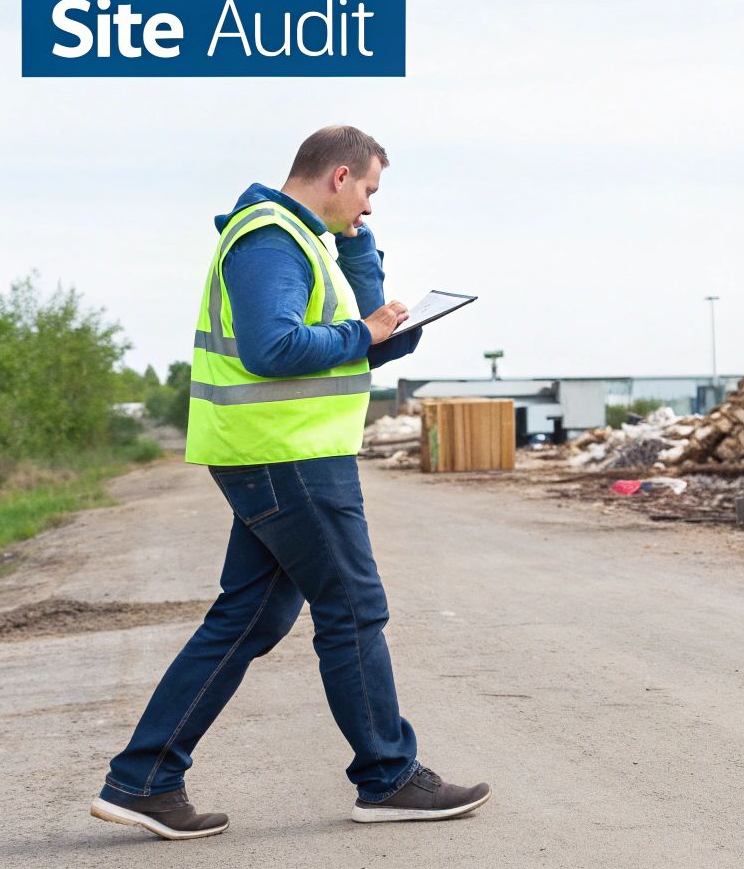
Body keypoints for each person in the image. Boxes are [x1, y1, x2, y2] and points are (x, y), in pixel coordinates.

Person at [90, 126, 489, 840]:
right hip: (285, 456)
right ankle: (388, 776)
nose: (370, 205)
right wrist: (360, 333)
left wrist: (362, 255)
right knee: (354, 609)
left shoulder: (310, 242)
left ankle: (144, 779)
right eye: (368, 191)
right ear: (339, 175)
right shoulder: (270, 238)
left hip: (287, 453)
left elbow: (377, 341)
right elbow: (274, 347)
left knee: (252, 617)